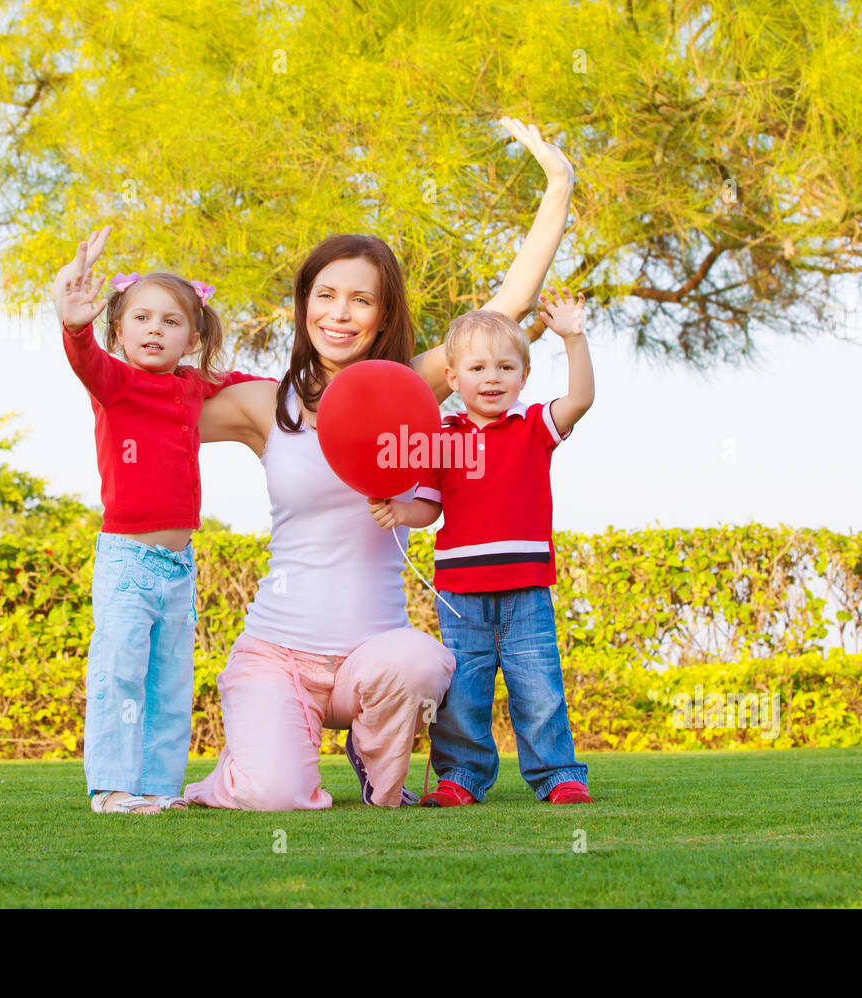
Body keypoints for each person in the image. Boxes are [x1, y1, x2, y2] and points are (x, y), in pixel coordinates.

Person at [57, 117, 575, 810]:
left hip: (375, 656)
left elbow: (505, 306)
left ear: (383, 312)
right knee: (270, 795)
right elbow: (140, 401)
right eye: (325, 296)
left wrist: (559, 184)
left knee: (420, 661)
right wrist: (90, 329)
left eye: (361, 299)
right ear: (305, 306)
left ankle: (375, 764)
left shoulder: (408, 391)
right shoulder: (262, 405)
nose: (340, 313)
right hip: (280, 651)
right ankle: (222, 773)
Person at [368, 289, 594, 806]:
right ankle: (462, 778)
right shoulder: (440, 435)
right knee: (463, 696)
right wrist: (401, 512)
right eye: (477, 368)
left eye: (504, 367)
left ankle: (558, 775)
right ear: (453, 379)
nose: (491, 378)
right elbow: (429, 509)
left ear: (524, 375)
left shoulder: (534, 425)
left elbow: (580, 399)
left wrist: (574, 338)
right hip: (459, 595)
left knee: (538, 690)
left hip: (526, 591)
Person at [57, 266, 269, 814]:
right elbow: (85, 360)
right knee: (119, 675)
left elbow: (249, 384)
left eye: (171, 321)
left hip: (179, 565)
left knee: (169, 682)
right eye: (142, 318)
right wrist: (75, 326)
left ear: (193, 338)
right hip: (127, 558)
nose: (155, 330)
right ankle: (111, 788)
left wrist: (316, 382)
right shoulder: (115, 384)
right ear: (119, 331)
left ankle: (157, 788)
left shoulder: (193, 386)